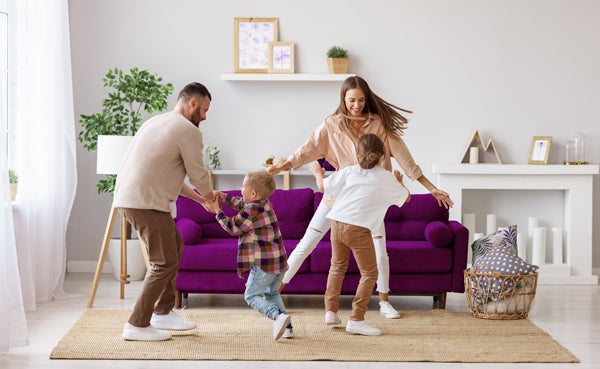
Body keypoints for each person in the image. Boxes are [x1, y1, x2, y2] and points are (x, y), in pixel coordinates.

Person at [268, 75, 453, 319]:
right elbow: (307, 149)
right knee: (307, 243)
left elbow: (405, 158)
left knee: (380, 251)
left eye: (362, 101)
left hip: (370, 199)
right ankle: (275, 293)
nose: (357, 106)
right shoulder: (332, 125)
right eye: (352, 100)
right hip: (339, 194)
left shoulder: (379, 125)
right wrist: (284, 166)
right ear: (343, 100)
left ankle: (384, 302)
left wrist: (431, 188)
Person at [114, 82, 215, 341]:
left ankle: (163, 311)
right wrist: (210, 196)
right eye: (203, 110)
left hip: (134, 198)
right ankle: (136, 324)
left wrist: (199, 198)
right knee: (163, 262)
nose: (204, 116)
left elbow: (167, 175)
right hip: (145, 202)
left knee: (175, 245)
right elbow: (198, 173)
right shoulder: (188, 130)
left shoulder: (155, 123)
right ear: (192, 103)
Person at [323, 133, 410, 335]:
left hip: (336, 223)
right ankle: (356, 319)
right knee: (370, 273)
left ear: (357, 153)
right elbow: (406, 199)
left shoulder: (350, 171)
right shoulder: (387, 178)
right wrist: (399, 182)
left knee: (337, 267)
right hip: (358, 229)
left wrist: (319, 174)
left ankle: (330, 311)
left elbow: (325, 186)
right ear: (382, 156)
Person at [204, 170, 292, 341]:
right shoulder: (263, 203)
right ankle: (287, 328)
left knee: (251, 296)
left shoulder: (251, 209)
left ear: (253, 193)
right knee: (272, 293)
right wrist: (223, 196)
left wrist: (218, 212)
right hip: (278, 262)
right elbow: (242, 204)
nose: (240, 189)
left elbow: (233, 227)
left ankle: (277, 316)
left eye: (243, 186)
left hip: (263, 264)